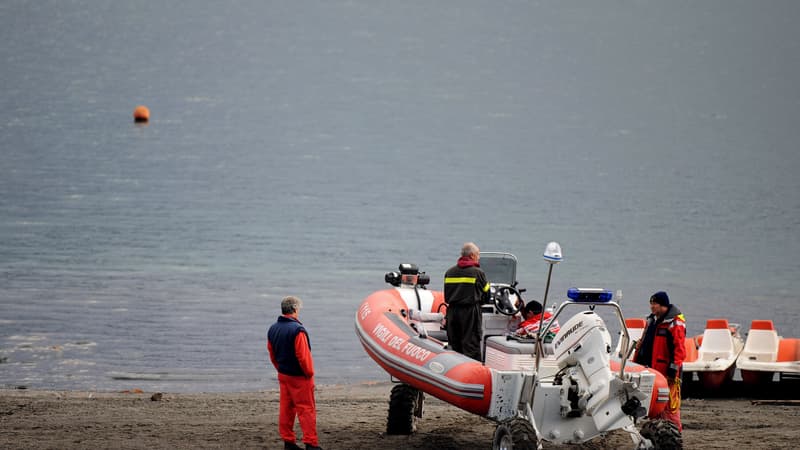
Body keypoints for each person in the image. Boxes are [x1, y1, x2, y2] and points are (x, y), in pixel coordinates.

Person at [267, 296, 322, 450]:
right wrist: (309, 374)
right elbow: (303, 356)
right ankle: (311, 443)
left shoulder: (273, 328)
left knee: (286, 409)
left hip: (283, 375)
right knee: (306, 410)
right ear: (295, 309)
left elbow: (272, 353)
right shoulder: (297, 330)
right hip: (299, 377)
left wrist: (280, 368)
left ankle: (288, 442)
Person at [634, 291, 686, 431]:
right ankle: (657, 433)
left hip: (667, 373)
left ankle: (674, 435)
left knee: (669, 407)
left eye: (655, 304)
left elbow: (679, 350)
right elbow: (645, 340)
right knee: (654, 404)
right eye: (651, 303)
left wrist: (672, 371)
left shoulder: (675, 323)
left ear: (663, 305)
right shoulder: (652, 320)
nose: (652, 307)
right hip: (651, 370)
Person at [444, 242, 490, 361]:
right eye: (478, 254)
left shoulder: (449, 272)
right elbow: (487, 296)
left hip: (452, 311)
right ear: (473, 256)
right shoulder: (478, 273)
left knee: (455, 344)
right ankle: (473, 374)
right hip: (470, 313)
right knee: (471, 344)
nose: (479, 257)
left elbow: (447, 296)